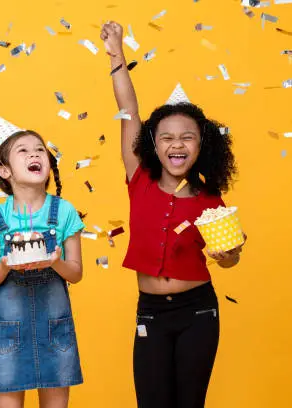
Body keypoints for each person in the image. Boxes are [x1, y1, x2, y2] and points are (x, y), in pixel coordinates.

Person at [101, 22, 246, 408]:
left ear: (202, 146)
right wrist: (116, 53)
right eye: (167, 137)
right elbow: (127, 110)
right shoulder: (139, 179)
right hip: (149, 311)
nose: (176, 143)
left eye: (187, 137)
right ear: (154, 144)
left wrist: (228, 255)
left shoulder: (210, 200)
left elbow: (231, 259)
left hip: (198, 310)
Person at [0, 113, 84, 408]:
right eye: (23, 150)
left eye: (39, 149)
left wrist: (55, 262)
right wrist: (6, 264)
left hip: (54, 325)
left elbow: (75, 273)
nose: (34, 153)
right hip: (11, 327)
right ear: (5, 172)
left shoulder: (65, 211)